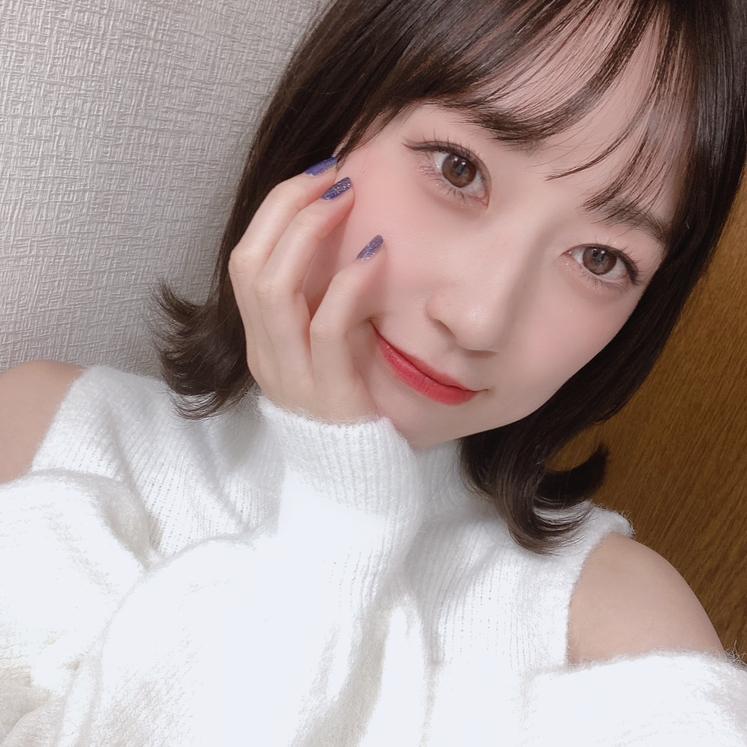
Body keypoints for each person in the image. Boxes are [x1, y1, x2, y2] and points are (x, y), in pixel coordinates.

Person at [1, 0, 745, 744]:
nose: (479, 318)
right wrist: (338, 522)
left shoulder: (620, 628)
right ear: (333, 121)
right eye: (459, 169)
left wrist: (340, 500)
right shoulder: (46, 435)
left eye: (600, 259)